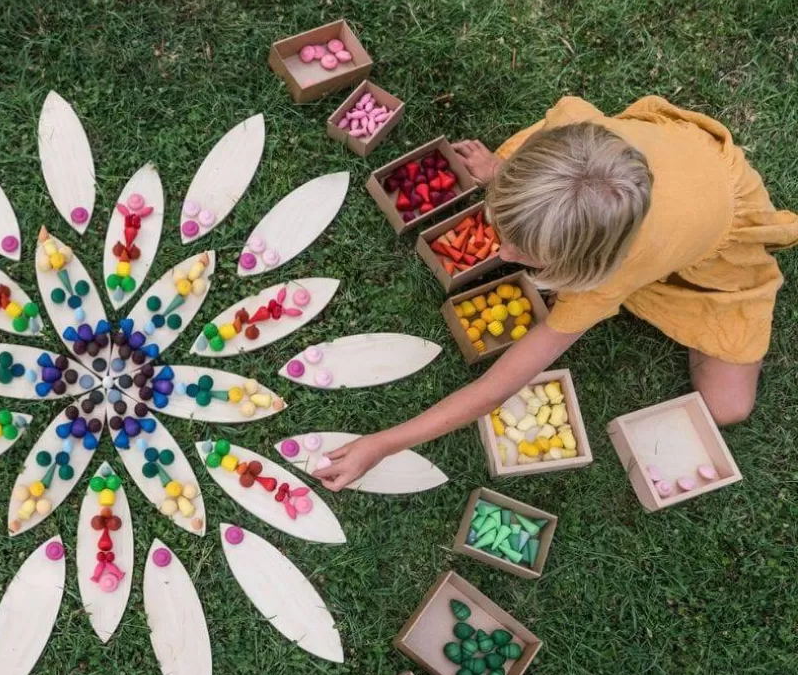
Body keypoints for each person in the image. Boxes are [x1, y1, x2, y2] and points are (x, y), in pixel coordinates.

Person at [313, 96, 797, 493]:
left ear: (586, 267)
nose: (499, 252)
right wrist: (501, 172)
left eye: (524, 253)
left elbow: (496, 387)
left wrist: (383, 443)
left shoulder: (608, 276)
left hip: (715, 231)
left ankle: (691, 301)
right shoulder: (572, 136)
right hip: (650, 174)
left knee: (727, 408)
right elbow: (549, 183)